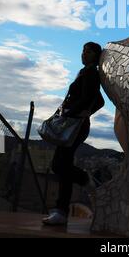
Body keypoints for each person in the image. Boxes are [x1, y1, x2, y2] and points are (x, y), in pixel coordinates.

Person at [42, 42, 105, 226]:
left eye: (88, 51)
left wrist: (71, 113)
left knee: (60, 165)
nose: (84, 54)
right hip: (76, 125)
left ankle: (83, 181)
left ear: (96, 55)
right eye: (83, 51)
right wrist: (86, 111)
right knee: (61, 166)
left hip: (75, 126)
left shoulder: (91, 73)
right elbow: (99, 101)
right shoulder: (86, 72)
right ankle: (62, 211)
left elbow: (88, 99)